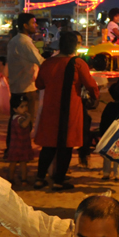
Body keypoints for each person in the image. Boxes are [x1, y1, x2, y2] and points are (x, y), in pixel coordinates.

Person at [34, 31, 99, 190]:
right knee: (66, 144)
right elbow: (91, 86)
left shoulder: (48, 63)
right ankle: (58, 180)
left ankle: (40, 178)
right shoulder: (78, 63)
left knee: (49, 144)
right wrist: (94, 97)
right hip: (70, 109)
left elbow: (39, 84)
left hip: (50, 108)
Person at [6, 13, 44, 156]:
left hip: (17, 86)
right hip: (26, 87)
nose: (35, 25)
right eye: (33, 23)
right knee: (25, 122)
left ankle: (12, 150)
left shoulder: (15, 40)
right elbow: (40, 60)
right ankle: (22, 153)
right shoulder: (25, 42)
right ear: (25, 25)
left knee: (14, 122)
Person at [7, 97, 34, 186]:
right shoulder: (19, 118)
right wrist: (29, 118)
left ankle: (17, 179)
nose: (25, 108)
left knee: (19, 162)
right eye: (22, 106)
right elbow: (23, 125)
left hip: (19, 144)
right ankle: (21, 179)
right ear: (15, 109)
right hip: (18, 144)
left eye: (25, 106)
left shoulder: (16, 117)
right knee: (17, 163)